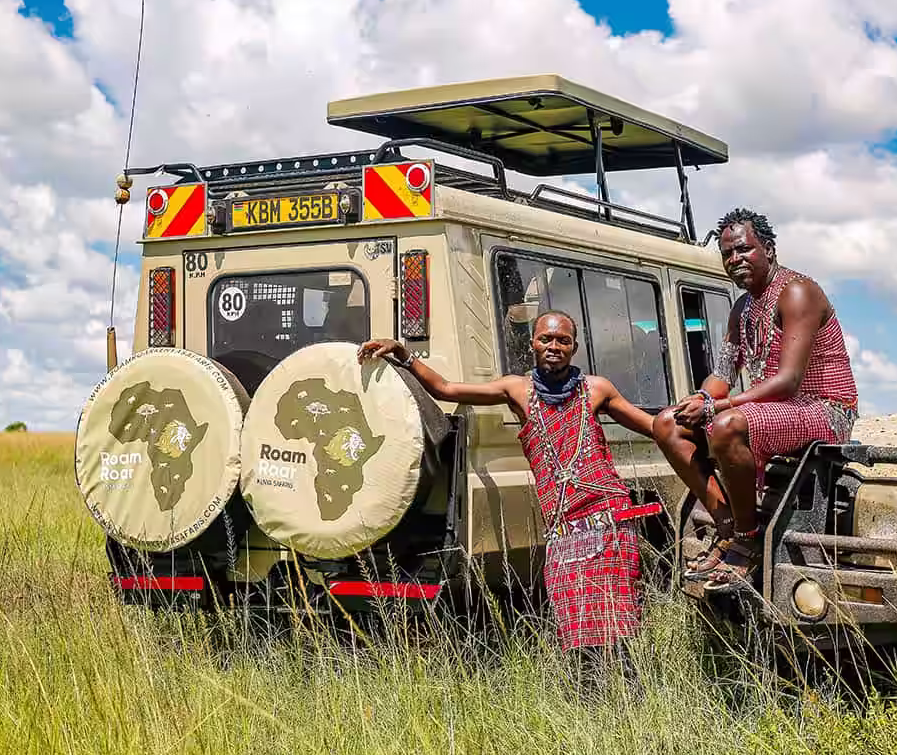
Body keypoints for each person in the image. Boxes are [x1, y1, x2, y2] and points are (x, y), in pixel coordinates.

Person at [357, 310, 660, 686]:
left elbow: (652, 427)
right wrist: (403, 354)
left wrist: (700, 421)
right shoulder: (517, 389)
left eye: (563, 341)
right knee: (577, 625)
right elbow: (446, 390)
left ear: (575, 347)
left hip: (609, 518)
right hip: (564, 528)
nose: (554, 347)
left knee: (617, 627)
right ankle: (592, 701)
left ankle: (631, 696)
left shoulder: (597, 389)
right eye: (546, 339)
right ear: (532, 343)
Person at [653, 208, 859, 592]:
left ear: (769, 248)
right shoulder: (742, 308)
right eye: (728, 254)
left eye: (744, 250)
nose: (735, 260)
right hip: (778, 409)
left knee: (726, 424)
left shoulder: (797, 292)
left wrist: (716, 407)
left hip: (826, 408)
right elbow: (722, 377)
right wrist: (695, 400)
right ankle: (727, 527)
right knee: (666, 423)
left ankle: (747, 539)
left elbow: (788, 381)